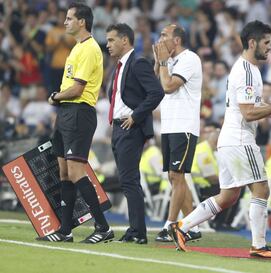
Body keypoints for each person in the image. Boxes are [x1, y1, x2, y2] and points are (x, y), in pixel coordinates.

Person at [168, 20, 271, 257]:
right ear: (252, 42)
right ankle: (259, 245)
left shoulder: (247, 69)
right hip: (240, 139)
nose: (270, 47)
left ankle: (182, 226)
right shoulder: (248, 71)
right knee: (261, 189)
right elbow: (249, 113)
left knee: (228, 196)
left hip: (229, 138)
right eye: (267, 42)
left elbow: (249, 107)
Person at [37, 2, 113, 243]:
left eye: (69, 18)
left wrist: (55, 97)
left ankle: (103, 227)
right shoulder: (76, 48)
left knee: (76, 171)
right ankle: (65, 230)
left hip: (80, 112)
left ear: (82, 22)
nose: (65, 22)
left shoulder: (90, 49)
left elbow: (78, 87)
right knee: (64, 172)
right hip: (67, 113)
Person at [106, 23, 164, 244]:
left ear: (124, 40)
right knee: (127, 180)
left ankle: (137, 232)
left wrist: (136, 116)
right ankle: (136, 230)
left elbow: (156, 92)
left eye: (111, 40)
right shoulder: (120, 66)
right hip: (119, 127)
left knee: (129, 181)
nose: (108, 44)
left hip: (130, 126)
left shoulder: (137, 63)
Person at [153, 24, 203, 242]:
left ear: (177, 40)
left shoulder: (190, 59)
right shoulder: (170, 61)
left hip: (184, 126)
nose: (160, 39)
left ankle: (171, 225)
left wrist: (164, 62)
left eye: (164, 35)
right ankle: (191, 226)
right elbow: (157, 80)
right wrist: (159, 61)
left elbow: (169, 86)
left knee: (177, 175)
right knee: (174, 178)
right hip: (169, 124)